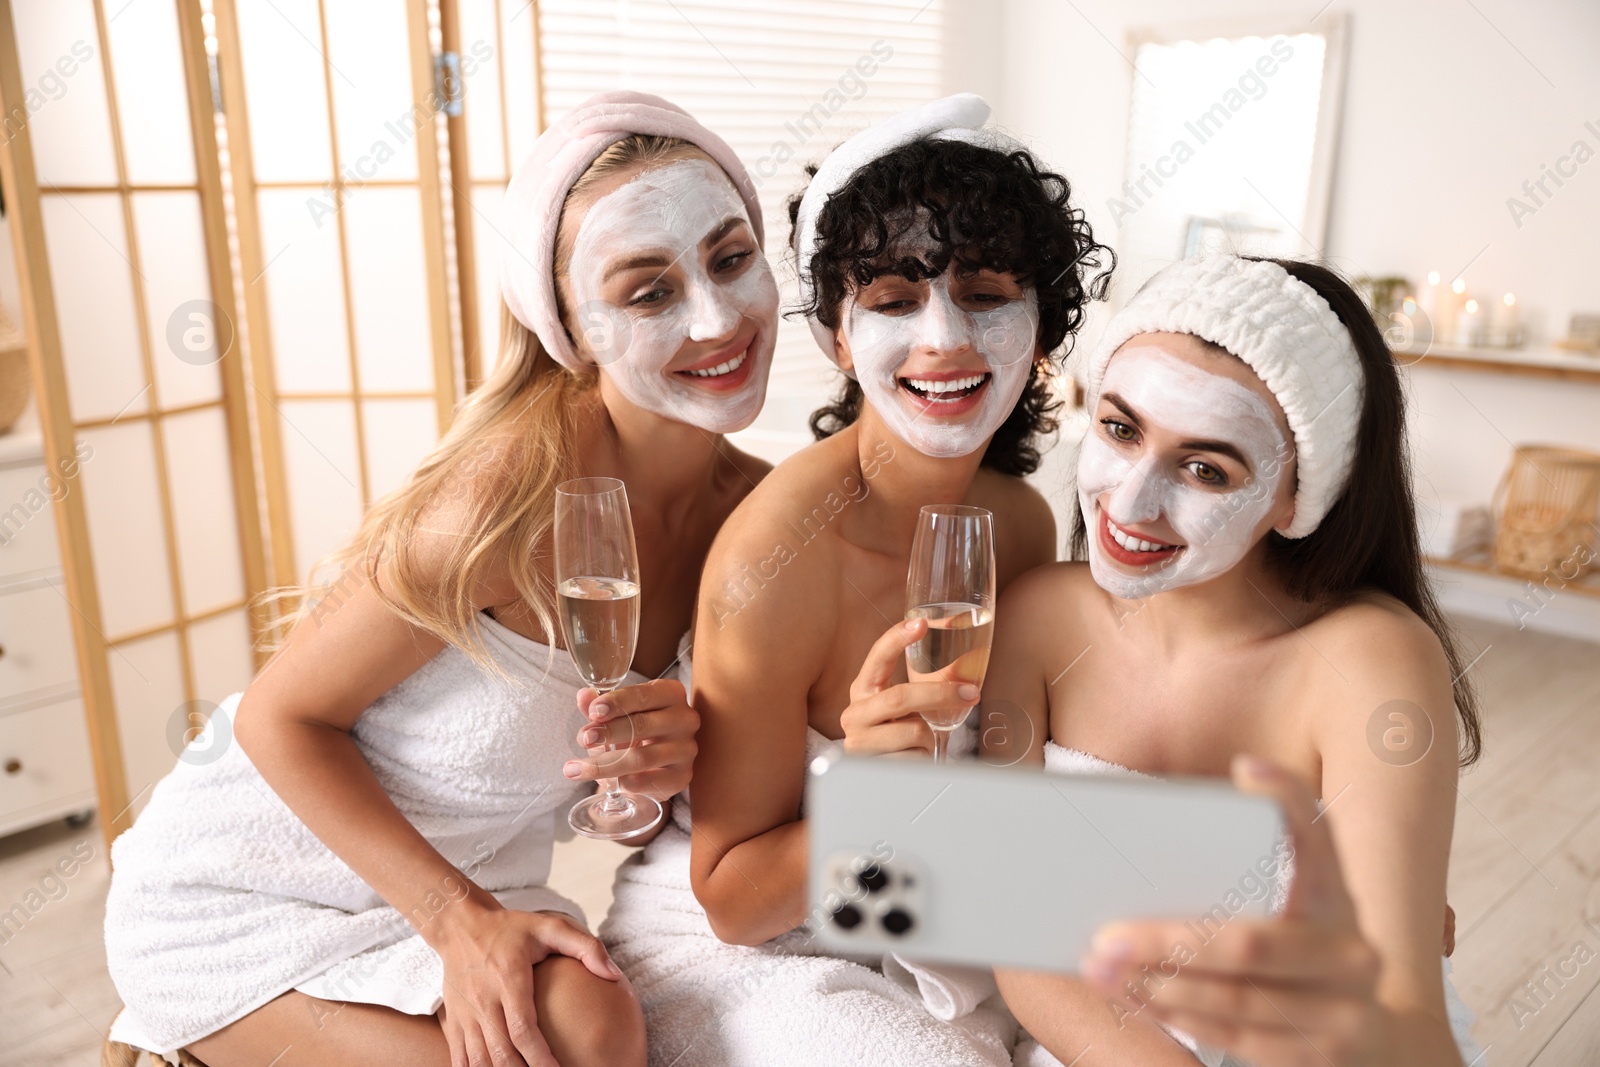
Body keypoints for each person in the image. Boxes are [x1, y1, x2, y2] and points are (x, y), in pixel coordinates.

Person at [101, 91, 779, 1067]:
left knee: (599, 1022)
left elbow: (603, 793)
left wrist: (651, 770)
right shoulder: (501, 502)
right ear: (571, 328)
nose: (716, 316)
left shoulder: (750, 520)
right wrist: (455, 923)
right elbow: (277, 719)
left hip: (476, 880)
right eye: (647, 291)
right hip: (251, 896)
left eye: (730, 258)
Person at [598, 93, 1112, 1067]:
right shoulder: (777, 562)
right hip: (744, 946)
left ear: (1043, 323)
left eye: (988, 293)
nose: (945, 339)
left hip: (919, 906)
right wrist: (868, 793)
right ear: (838, 335)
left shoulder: (1017, 523)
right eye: (891, 301)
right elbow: (732, 899)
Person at [979, 255, 1486, 1065]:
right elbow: (1013, 928)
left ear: (1297, 498)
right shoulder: (1039, 617)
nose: (1130, 502)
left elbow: (1401, 1006)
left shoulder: (1370, 662)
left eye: (1205, 467)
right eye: (1120, 427)